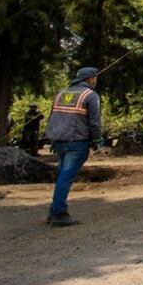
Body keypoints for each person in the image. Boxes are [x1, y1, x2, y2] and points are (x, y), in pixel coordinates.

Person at [45, 66, 102, 227]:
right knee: (66, 177)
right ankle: (59, 213)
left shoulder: (61, 94)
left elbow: (53, 116)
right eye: (95, 78)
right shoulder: (90, 95)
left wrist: (51, 137)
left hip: (59, 140)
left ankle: (53, 210)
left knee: (62, 175)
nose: (95, 81)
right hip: (76, 141)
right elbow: (94, 121)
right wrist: (97, 140)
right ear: (90, 79)